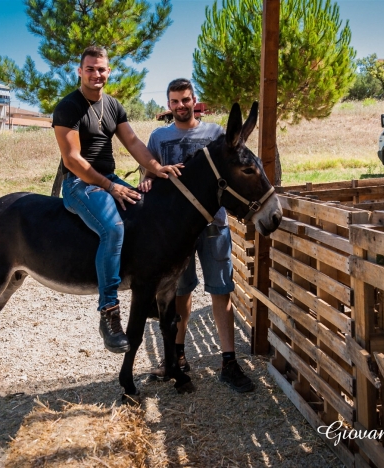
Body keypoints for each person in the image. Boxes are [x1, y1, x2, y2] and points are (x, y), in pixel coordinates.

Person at [52, 46, 182, 354]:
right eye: (90, 68)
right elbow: (71, 159)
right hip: (79, 184)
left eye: (101, 69)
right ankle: (109, 313)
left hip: (108, 179)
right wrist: (110, 188)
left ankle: (148, 297)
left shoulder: (112, 105)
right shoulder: (68, 107)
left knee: (149, 215)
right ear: (80, 71)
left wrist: (156, 167)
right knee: (112, 228)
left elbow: (134, 142)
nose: (96, 74)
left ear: (108, 72)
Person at [139, 78, 254, 393]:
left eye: (185, 100)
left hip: (214, 225)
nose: (180, 106)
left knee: (221, 290)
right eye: (174, 101)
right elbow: (149, 173)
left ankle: (229, 362)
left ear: (194, 101)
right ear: (168, 104)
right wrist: (147, 181)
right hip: (176, 233)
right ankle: (177, 357)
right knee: (180, 293)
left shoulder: (215, 133)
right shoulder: (158, 137)